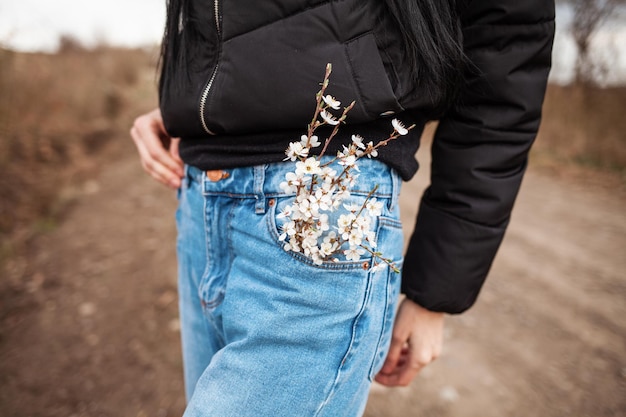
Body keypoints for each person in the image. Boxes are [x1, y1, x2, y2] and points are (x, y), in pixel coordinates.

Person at [130, 0, 555, 415]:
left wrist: (434, 294)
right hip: (200, 193)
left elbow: (506, 46)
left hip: (327, 199)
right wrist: (193, 102)